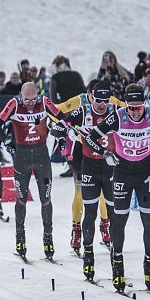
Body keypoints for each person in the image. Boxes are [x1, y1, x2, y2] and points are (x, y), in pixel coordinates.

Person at [85, 83, 150, 293]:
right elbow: (91, 137)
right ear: (125, 105)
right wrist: (106, 152)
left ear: (144, 104)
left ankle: (149, 264)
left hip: (145, 171)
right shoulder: (117, 117)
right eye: (130, 107)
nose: (134, 112)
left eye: (138, 107)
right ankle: (117, 263)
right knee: (119, 218)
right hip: (123, 171)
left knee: (148, 219)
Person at [57, 81, 121, 281]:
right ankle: (79, 235)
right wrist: (67, 131)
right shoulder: (81, 103)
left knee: (110, 203)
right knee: (84, 200)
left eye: (104, 99)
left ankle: (107, 233)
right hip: (84, 158)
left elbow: (134, 112)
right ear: (89, 95)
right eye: (96, 98)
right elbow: (57, 115)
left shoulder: (114, 107)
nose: (100, 103)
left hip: (109, 162)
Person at [0, 82, 61, 260]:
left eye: (33, 99)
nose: (30, 103)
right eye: (26, 100)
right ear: (21, 96)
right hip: (22, 157)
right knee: (21, 199)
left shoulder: (45, 102)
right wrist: (8, 142)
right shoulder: (14, 104)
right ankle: (20, 239)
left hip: (41, 156)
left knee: (46, 199)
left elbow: (63, 117)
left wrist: (61, 133)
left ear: (38, 95)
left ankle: (48, 240)